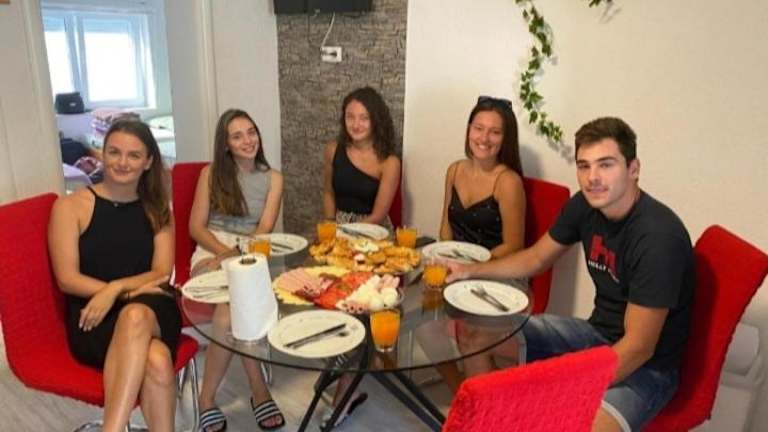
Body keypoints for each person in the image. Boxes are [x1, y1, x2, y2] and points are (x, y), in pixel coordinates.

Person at [447, 117, 695, 432]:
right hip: (594, 336)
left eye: (606, 165)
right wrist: (471, 270)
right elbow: (537, 257)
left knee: (574, 425)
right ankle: (490, 425)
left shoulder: (658, 238)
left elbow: (638, 347)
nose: (593, 178)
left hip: (647, 369)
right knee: (473, 332)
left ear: (633, 169)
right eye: (584, 166)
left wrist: (566, 386)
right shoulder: (585, 205)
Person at [48, 120, 181, 432]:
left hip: (153, 307)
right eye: (114, 152)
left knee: (135, 315)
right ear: (102, 153)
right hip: (94, 316)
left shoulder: (158, 209)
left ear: (148, 162)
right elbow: (67, 278)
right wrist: (123, 293)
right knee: (157, 359)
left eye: (134, 155)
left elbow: (161, 272)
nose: (122, 162)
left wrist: (116, 289)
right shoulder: (70, 207)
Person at [188, 109, 284, 432]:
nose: (248, 140)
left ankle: (206, 398)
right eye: (237, 136)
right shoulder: (210, 174)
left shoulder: (274, 178)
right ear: (226, 144)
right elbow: (196, 227)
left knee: (230, 312)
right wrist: (223, 253)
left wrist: (235, 256)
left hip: (250, 252)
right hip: (211, 249)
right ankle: (260, 392)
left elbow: (263, 231)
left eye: (251, 132)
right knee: (234, 309)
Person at [439, 96, 526, 259]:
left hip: (494, 267)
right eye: (478, 128)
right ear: (469, 130)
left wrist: (472, 266)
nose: (484, 138)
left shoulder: (509, 182)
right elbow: (446, 230)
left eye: (495, 132)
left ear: (505, 138)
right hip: (455, 264)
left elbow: (514, 246)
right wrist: (444, 258)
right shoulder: (454, 170)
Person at [322, 86, 401, 227]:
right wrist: (330, 222)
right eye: (350, 117)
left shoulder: (390, 162)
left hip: (374, 229)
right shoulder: (332, 150)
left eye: (364, 118)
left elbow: (378, 216)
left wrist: (346, 232)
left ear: (376, 120)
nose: (356, 125)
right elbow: (328, 192)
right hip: (339, 225)